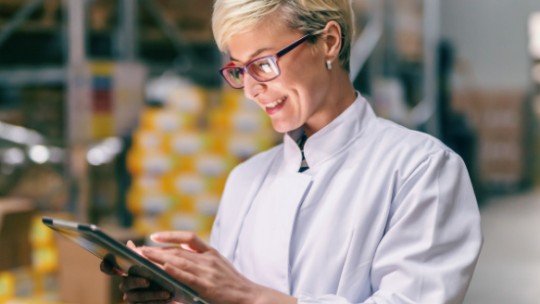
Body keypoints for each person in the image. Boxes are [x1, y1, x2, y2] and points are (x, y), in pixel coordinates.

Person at [102, 0, 482, 303]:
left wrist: (250, 297)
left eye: (264, 63)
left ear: (329, 42)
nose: (251, 89)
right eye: (239, 70)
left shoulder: (422, 169)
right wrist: (187, 294)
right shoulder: (246, 179)